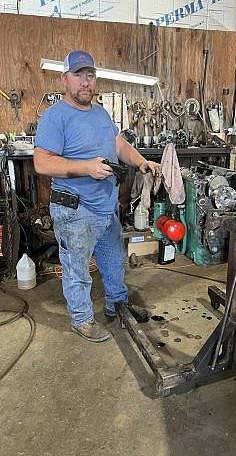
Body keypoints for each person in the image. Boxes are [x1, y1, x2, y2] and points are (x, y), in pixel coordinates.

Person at [34, 50, 160, 343]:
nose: (85, 82)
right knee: (77, 268)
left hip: (106, 208)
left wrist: (141, 162)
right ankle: (82, 319)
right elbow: (42, 163)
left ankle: (117, 304)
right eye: (78, 75)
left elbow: (118, 145)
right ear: (65, 79)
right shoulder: (55, 117)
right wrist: (85, 168)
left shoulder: (101, 113)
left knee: (114, 260)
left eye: (90, 75)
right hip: (75, 210)